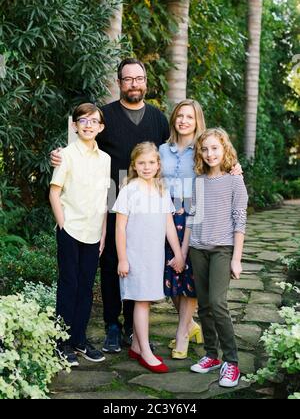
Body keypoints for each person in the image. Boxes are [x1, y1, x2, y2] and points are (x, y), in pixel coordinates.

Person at [50, 58, 170, 353]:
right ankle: (112, 325)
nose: (133, 84)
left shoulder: (158, 119)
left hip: (145, 204)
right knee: (112, 263)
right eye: (127, 79)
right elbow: (81, 143)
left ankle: (134, 327)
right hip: (111, 200)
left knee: (139, 262)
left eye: (138, 78)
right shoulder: (106, 116)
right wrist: (58, 155)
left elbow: (170, 156)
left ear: (145, 82)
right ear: (119, 83)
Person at [159, 100, 242, 359]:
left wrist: (235, 169)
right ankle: (191, 326)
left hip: (196, 218)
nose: (184, 121)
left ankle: (183, 332)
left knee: (192, 280)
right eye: (179, 116)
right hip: (165, 215)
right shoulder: (163, 149)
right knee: (171, 275)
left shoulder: (204, 148)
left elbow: (223, 172)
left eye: (190, 117)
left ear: (197, 122)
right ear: (173, 119)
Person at [182, 127, 248, 388]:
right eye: (205, 149)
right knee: (205, 306)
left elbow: (240, 221)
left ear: (225, 149)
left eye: (215, 148)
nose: (210, 154)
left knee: (218, 303)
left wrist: (236, 258)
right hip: (198, 249)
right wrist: (184, 252)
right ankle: (212, 355)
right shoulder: (198, 181)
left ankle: (232, 362)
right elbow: (190, 218)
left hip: (222, 249)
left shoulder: (235, 180)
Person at [113, 142, 185, 373]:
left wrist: (178, 253)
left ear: (158, 165)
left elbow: (169, 225)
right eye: (141, 163)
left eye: (151, 163)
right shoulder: (128, 189)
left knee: (144, 300)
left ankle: (135, 344)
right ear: (134, 165)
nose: (147, 167)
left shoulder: (160, 189)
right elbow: (120, 228)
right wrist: (122, 259)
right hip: (135, 256)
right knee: (141, 301)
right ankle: (145, 351)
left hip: (154, 256)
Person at [49, 103, 111, 366]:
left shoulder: (106, 160)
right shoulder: (67, 154)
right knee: (69, 285)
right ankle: (61, 342)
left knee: (86, 288)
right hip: (70, 229)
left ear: (101, 127)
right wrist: (62, 225)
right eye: (82, 120)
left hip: (94, 231)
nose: (88, 125)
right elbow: (54, 191)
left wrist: (104, 233)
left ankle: (78, 339)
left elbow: (105, 198)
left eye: (93, 121)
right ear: (75, 125)